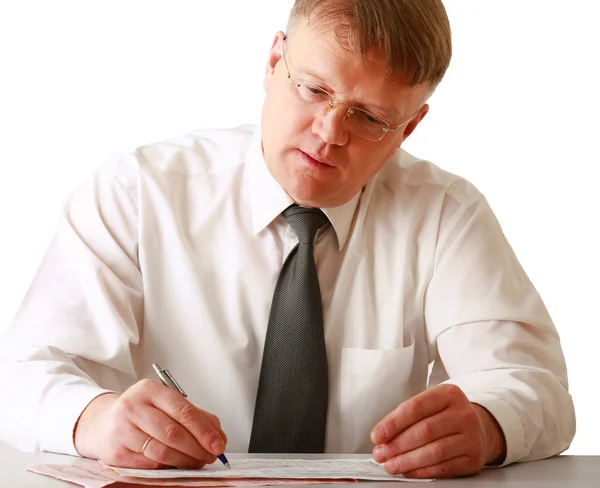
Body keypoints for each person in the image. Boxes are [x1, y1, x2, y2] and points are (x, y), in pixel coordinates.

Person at [0, 0, 575, 480]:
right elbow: (25, 374)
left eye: (369, 118)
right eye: (314, 89)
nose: (329, 135)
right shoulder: (136, 193)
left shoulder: (447, 216)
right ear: (275, 61)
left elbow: (537, 388)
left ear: (410, 127)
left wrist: (488, 424)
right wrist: (95, 419)